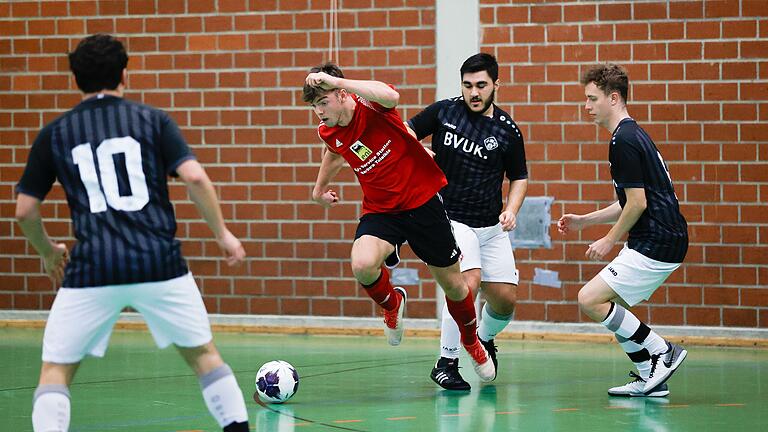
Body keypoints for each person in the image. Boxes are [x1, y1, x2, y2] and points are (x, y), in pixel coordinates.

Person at [15, 34, 250, 431]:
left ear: (75, 79)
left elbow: (24, 210)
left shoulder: (55, 133)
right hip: (159, 263)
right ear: (125, 73)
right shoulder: (153, 120)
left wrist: (48, 251)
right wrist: (223, 233)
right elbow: (194, 176)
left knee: (56, 370)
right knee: (205, 357)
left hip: (92, 267)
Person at [303, 63, 495, 382]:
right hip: (381, 210)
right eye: (313, 107)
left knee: (454, 286)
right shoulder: (328, 130)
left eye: (323, 103)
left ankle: (471, 341)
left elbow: (390, 94)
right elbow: (335, 152)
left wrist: (337, 80)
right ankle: (392, 303)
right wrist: (319, 188)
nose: (318, 113)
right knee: (362, 264)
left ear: (341, 94)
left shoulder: (372, 106)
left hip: (422, 203)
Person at [557, 63, 689, 397]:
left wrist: (609, 239)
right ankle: (649, 376)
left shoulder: (624, 141)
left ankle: (662, 351)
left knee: (589, 299)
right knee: (611, 302)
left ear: (613, 98)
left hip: (658, 241)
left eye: (592, 99)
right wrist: (585, 221)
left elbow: (638, 204)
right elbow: (628, 201)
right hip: (664, 238)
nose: (586, 107)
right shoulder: (631, 134)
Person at [406, 53, 528, 390]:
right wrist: (418, 151)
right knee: (466, 287)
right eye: (467, 85)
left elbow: (519, 177)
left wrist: (512, 209)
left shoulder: (507, 130)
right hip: (451, 220)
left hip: (490, 227)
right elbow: (404, 132)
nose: (474, 92)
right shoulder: (444, 112)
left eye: (481, 86)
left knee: (505, 300)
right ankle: (446, 361)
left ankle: (484, 339)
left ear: (495, 86)